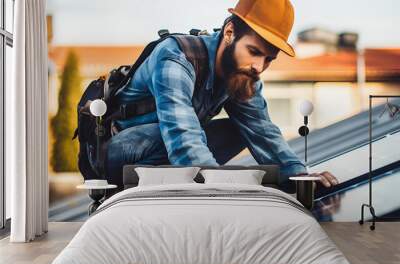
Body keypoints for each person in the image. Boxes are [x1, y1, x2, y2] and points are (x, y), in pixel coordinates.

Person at [104, 0, 339, 191]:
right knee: (184, 133)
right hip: (122, 153)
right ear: (229, 32)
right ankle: (160, 185)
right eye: (254, 52)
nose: (258, 66)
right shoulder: (175, 58)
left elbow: (263, 132)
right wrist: (219, 187)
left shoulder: (241, 74)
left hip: (169, 150)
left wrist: (300, 177)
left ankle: (182, 178)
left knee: (241, 128)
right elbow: (182, 134)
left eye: (268, 59)